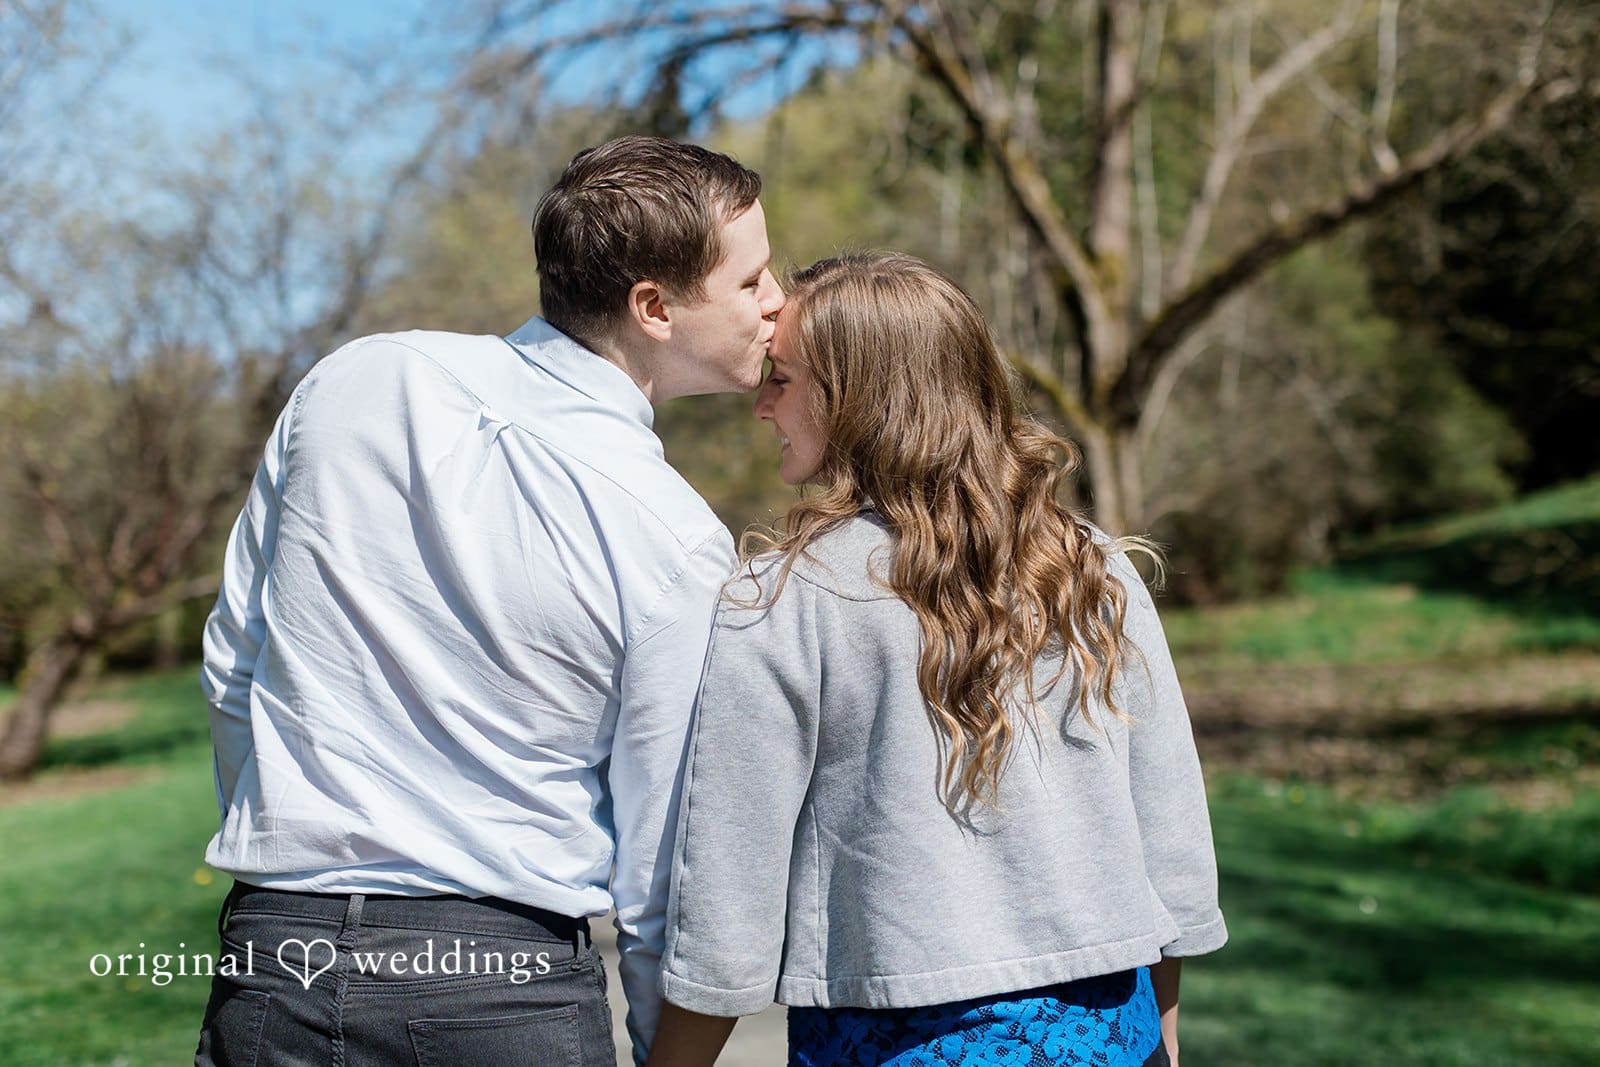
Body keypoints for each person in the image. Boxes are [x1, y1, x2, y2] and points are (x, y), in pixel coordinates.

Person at [194, 135, 784, 1067]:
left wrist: (292, 855)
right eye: (752, 281)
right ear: (654, 308)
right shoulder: (674, 538)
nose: (778, 300)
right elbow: (663, 857)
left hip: (276, 959)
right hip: (499, 992)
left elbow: (234, 659)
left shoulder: (353, 379)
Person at [647, 252, 1226, 1067]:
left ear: (860, 399)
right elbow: (1172, 842)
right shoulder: (1089, 566)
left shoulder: (784, 600)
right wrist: (1165, 1030)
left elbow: (728, 896)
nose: (762, 405)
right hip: (1110, 1037)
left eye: (782, 379)